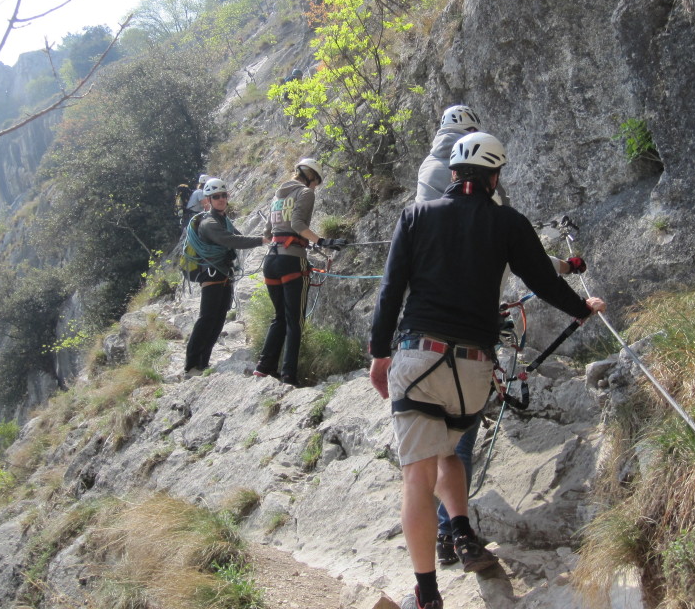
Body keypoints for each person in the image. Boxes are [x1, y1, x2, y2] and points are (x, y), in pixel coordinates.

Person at [369, 132, 606, 609]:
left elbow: (391, 290)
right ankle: (459, 527)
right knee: (451, 454)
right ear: (495, 177)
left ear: (453, 174)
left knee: (418, 475)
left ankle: (428, 593)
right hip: (474, 370)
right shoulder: (509, 223)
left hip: (419, 356)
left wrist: (379, 355)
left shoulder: (416, 215)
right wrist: (583, 307)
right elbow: (541, 278)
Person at [415, 106, 587, 566]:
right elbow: (522, 259)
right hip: (472, 328)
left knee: (435, 443)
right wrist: (575, 291)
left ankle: (441, 542)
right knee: (461, 439)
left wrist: (380, 351)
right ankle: (454, 534)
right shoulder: (486, 205)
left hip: (421, 330)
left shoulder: (427, 185)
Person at [254, 157, 346, 386]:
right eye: (316, 182)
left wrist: (304, 241)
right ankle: (288, 376)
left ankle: (264, 367)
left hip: (271, 261)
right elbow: (297, 225)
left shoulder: (278, 196)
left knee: (280, 318)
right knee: (295, 321)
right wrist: (322, 241)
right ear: (311, 176)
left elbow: (268, 233)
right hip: (291, 262)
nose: (315, 186)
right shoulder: (305, 193)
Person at [183, 178, 269, 376]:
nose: (221, 199)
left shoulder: (224, 221)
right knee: (207, 319)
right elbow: (230, 240)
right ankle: (191, 365)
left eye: (223, 195)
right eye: (216, 197)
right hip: (212, 274)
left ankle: (203, 362)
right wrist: (262, 240)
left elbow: (236, 235)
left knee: (218, 319)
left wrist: (268, 236)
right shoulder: (208, 223)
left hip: (223, 274)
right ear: (208, 200)